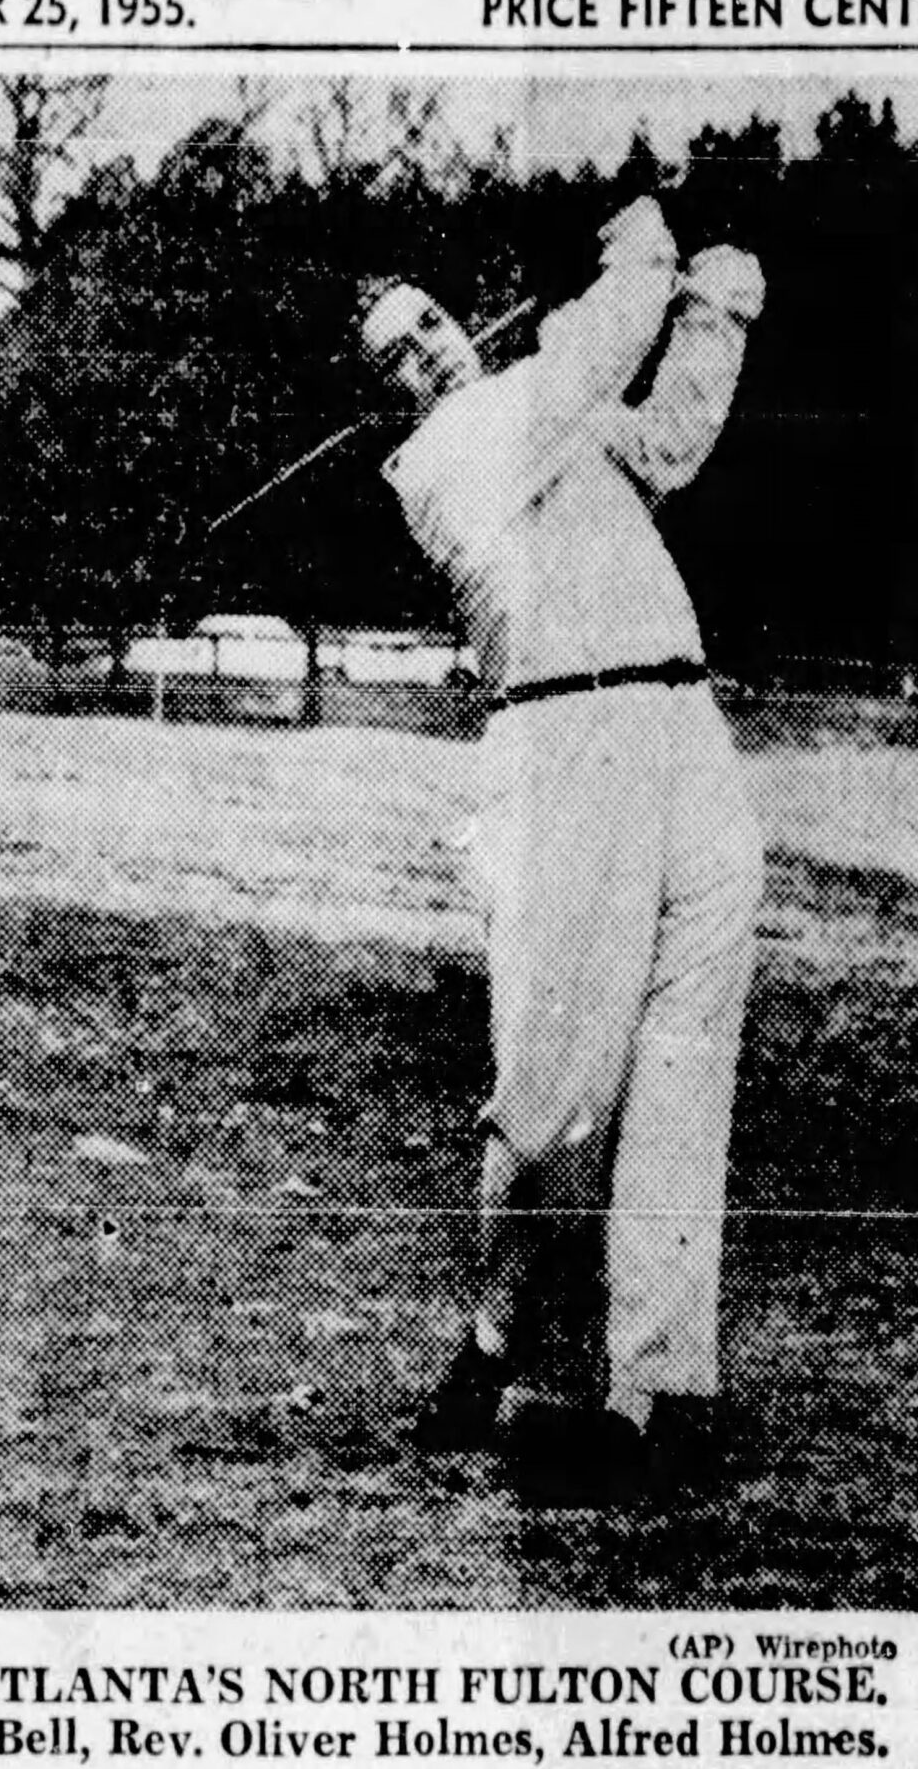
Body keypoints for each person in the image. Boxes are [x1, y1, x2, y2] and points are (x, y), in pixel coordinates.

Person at [358, 196, 768, 1506]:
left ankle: (663, 1391)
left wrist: (717, 301)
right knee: (552, 1106)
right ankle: (495, 1343)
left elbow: (667, 441)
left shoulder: (538, 411)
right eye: (393, 357)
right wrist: (646, 238)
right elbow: (600, 340)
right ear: (384, 405)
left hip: (678, 718)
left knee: (682, 1059)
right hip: (558, 742)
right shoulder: (442, 458)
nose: (427, 349)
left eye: (428, 320)